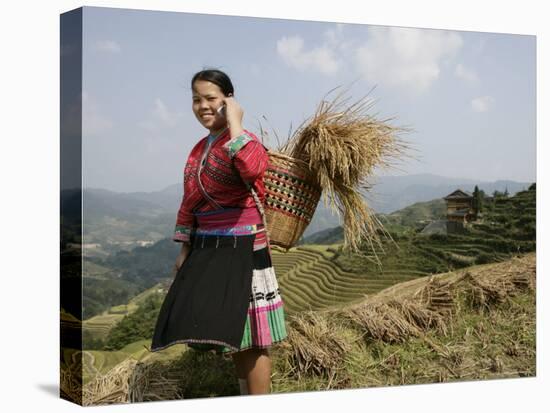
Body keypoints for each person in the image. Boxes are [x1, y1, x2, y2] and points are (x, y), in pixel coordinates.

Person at [149, 68, 288, 396]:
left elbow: (253, 168)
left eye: (211, 98)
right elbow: (189, 199)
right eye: (196, 99)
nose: (202, 106)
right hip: (209, 247)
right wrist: (185, 248)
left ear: (228, 100)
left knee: (252, 340)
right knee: (233, 334)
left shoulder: (244, 139)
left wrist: (236, 122)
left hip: (244, 247)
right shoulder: (200, 148)